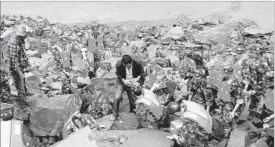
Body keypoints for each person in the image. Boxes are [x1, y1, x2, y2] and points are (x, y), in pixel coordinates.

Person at [112, 54, 146, 119]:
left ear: (131, 62)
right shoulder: (119, 64)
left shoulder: (137, 63)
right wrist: (123, 80)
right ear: (123, 64)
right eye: (126, 66)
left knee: (134, 97)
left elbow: (142, 73)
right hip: (123, 82)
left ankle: (134, 112)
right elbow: (118, 74)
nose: (128, 68)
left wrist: (137, 79)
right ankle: (115, 114)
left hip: (133, 82)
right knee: (117, 97)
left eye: (129, 66)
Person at [8, 25, 33, 110]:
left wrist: (27, 62)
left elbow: (22, 53)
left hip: (20, 65)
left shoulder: (21, 40)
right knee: (20, 85)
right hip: (15, 67)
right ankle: (24, 105)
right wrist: (18, 72)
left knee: (23, 82)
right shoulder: (14, 41)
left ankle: (25, 95)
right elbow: (12, 58)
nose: (27, 35)